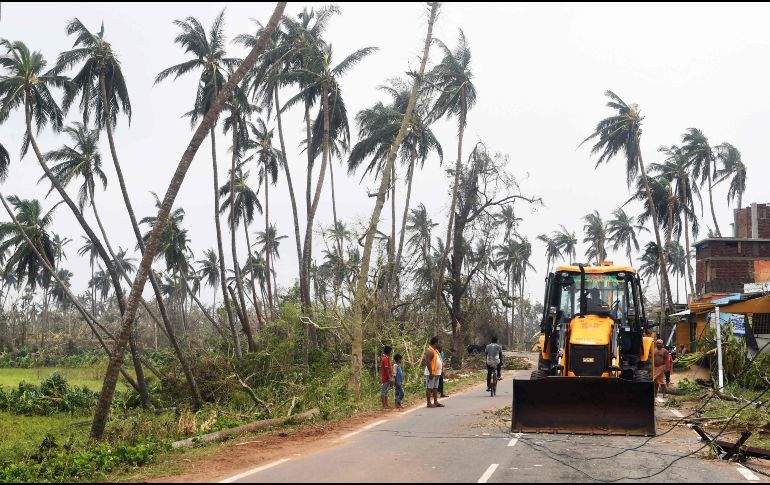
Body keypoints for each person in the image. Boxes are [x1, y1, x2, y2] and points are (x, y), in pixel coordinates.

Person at [423, 336, 445, 408]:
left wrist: (442, 370)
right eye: (438, 342)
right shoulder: (429, 350)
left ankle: (435, 402)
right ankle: (429, 403)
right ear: (435, 343)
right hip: (432, 373)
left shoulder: (436, 350)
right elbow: (428, 362)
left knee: (435, 387)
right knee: (429, 387)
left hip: (437, 372)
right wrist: (431, 372)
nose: (439, 344)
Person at [380, 345, 393, 410]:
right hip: (385, 378)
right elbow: (386, 369)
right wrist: (389, 377)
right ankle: (384, 405)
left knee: (386, 391)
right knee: (383, 391)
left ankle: (386, 404)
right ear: (388, 352)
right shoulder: (385, 359)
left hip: (387, 377)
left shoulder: (386, 358)